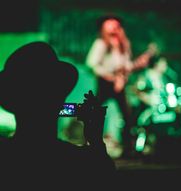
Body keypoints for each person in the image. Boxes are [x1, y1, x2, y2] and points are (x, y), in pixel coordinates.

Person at [0, 42, 116, 189]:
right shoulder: (79, 163)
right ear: (60, 99)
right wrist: (96, 142)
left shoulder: (5, 157)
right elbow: (104, 175)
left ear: (11, 101)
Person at [86, 15, 157, 156]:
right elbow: (91, 63)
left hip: (120, 82)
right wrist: (110, 76)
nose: (114, 28)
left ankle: (128, 147)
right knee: (96, 113)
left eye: (116, 26)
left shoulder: (124, 45)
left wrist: (138, 63)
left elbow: (126, 65)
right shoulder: (101, 44)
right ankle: (92, 145)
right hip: (106, 83)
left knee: (127, 116)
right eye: (110, 25)